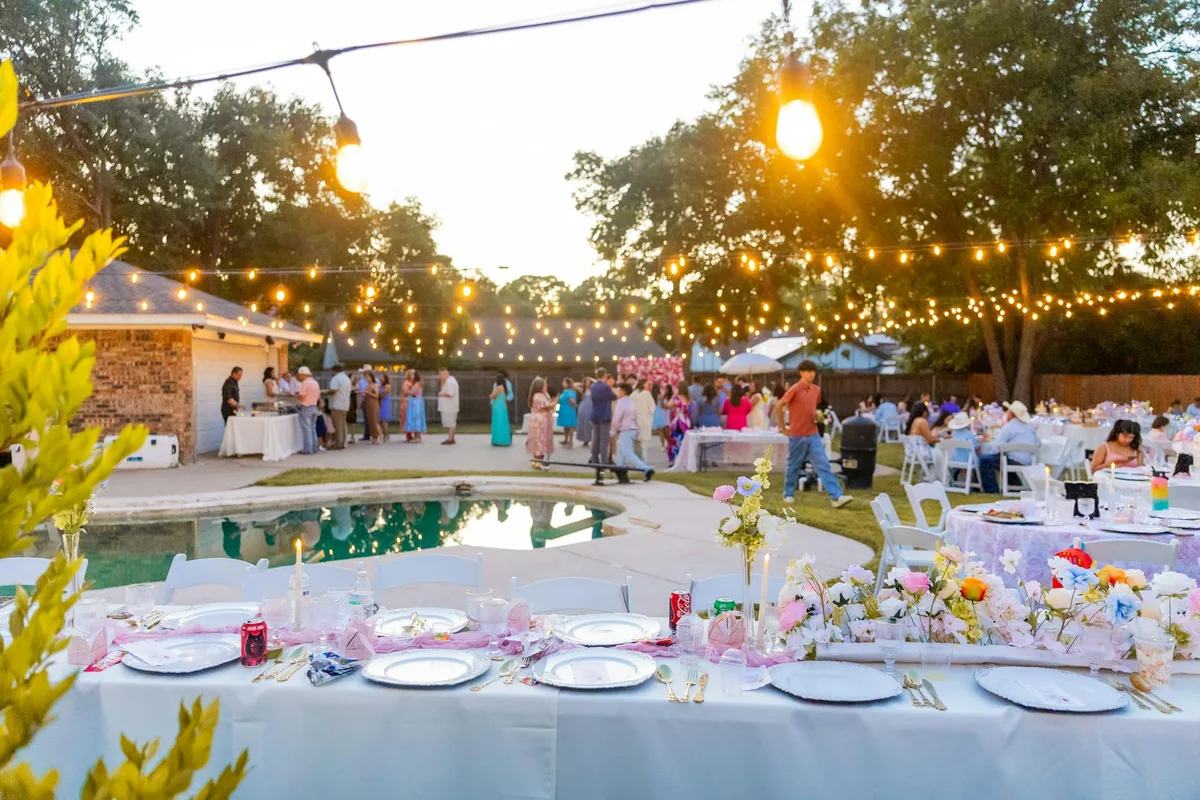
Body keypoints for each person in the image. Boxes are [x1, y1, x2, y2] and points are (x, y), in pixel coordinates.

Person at [775, 360, 852, 508]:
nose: (812, 374)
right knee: (794, 465)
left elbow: (812, 408)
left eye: (813, 371)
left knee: (823, 464)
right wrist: (783, 427)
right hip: (797, 434)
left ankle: (836, 497)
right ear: (801, 373)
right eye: (809, 371)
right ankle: (788, 493)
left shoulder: (817, 390)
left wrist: (818, 416)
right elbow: (779, 406)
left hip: (813, 433)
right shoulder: (795, 389)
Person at [977, 401, 1041, 493]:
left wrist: (992, 452)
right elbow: (1038, 443)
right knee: (1002, 459)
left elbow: (997, 447)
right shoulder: (1029, 427)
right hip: (1028, 460)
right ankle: (1014, 483)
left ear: (1011, 414)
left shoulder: (1009, 427)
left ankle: (991, 490)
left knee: (985, 459)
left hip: (1013, 460)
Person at [613, 381, 655, 479]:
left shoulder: (621, 402)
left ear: (623, 392)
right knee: (620, 453)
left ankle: (646, 469)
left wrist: (613, 431)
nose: (617, 392)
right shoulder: (631, 402)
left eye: (619, 391)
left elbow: (616, 418)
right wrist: (638, 430)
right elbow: (635, 416)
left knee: (627, 453)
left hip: (625, 430)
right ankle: (620, 473)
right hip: (632, 429)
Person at [588, 368, 618, 465]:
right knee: (604, 440)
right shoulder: (605, 387)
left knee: (595, 439)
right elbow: (614, 397)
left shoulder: (593, 386)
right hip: (604, 415)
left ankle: (594, 459)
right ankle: (604, 461)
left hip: (595, 414)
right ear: (604, 375)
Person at [526, 377, 554, 469]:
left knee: (539, 440)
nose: (546, 386)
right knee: (539, 441)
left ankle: (536, 461)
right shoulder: (539, 396)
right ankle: (538, 462)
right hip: (540, 421)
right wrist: (555, 402)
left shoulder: (541, 395)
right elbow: (546, 407)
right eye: (544, 384)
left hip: (539, 420)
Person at [667, 380, 693, 467]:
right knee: (684, 440)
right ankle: (683, 460)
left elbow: (668, 405)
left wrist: (674, 395)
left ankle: (675, 460)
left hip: (677, 422)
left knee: (675, 440)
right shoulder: (688, 399)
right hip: (686, 422)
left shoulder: (676, 398)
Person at [296, 366, 321, 454]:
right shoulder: (315, 383)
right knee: (313, 428)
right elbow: (318, 397)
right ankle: (314, 448)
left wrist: (296, 396)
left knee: (306, 429)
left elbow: (302, 396)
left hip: (306, 407)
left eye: (299, 375)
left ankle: (308, 449)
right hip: (314, 406)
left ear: (303, 375)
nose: (299, 377)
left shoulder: (305, 383)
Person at [326, 364, 351, 449]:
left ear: (334, 371)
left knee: (337, 426)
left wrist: (326, 392)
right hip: (345, 404)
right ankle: (343, 442)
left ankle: (338, 444)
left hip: (337, 404)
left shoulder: (336, 378)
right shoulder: (347, 379)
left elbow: (333, 390)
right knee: (343, 425)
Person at [632, 378, 657, 460]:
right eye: (647, 384)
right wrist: (649, 412)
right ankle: (644, 461)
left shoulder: (633, 394)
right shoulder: (646, 394)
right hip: (645, 421)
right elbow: (652, 407)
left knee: (636, 443)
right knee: (644, 443)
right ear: (643, 384)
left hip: (635, 421)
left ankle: (637, 461)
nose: (648, 386)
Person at [437, 367, 460, 445]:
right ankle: (452, 438)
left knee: (451, 422)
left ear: (445, 374)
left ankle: (450, 438)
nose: (440, 377)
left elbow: (450, 394)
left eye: (441, 375)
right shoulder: (448, 381)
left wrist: (441, 394)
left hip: (450, 406)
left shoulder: (450, 382)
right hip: (449, 406)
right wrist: (442, 381)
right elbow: (442, 389)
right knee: (452, 422)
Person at [490, 374, 513, 447]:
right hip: (503, 405)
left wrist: (491, 396)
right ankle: (504, 439)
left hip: (498, 406)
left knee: (498, 422)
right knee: (503, 422)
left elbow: (491, 396)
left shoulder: (498, 387)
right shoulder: (504, 387)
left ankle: (498, 440)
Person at [404, 370, 426, 442]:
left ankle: (417, 437)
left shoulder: (417, 383)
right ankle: (417, 436)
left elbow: (413, 392)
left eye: (413, 375)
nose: (411, 377)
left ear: (415, 376)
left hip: (416, 403)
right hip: (414, 402)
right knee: (414, 418)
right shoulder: (415, 383)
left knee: (416, 418)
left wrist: (407, 391)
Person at [557, 377, 578, 447]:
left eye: (564, 382)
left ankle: (570, 442)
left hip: (569, 410)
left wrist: (575, 405)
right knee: (565, 426)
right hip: (564, 410)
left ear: (568, 383)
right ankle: (566, 439)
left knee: (570, 426)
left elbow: (571, 400)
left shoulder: (570, 391)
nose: (563, 383)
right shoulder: (565, 391)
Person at [364, 371, 381, 444]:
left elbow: (376, 396)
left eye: (368, 377)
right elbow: (366, 396)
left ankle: (379, 436)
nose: (367, 378)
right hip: (368, 404)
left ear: (371, 377)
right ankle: (373, 436)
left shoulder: (375, 385)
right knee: (370, 421)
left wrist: (368, 393)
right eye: (366, 377)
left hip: (374, 404)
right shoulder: (367, 385)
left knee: (374, 421)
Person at [576, 377, 594, 447]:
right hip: (583, 406)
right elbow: (574, 385)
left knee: (589, 423)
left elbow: (597, 382)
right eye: (586, 381)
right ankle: (584, 439)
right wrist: (582, 383)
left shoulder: (593, 388)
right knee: (583, 422)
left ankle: (589, 438)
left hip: (591, 406)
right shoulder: (582, 389)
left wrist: (591, 379)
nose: (587, 382)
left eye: (588, 381)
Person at [357, 365, 372, 441]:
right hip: (364, 400)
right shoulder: (361, 381)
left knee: (372, 418)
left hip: (372, 401)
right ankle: (367, 434)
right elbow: (359, 390)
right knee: (366, 418)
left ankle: (374, 434)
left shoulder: (375, 380)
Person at [378, 374, 392, 442]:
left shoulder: (387, 386)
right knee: (380, 420)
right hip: (379, 403)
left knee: (384, 420)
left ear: (385, 379)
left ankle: (385, 435)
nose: (380, 379)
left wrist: (377, 396)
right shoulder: (380, 386)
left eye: (382, 378)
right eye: (380, 378)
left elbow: (383, 395)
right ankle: (383, 434)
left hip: (385, 403)